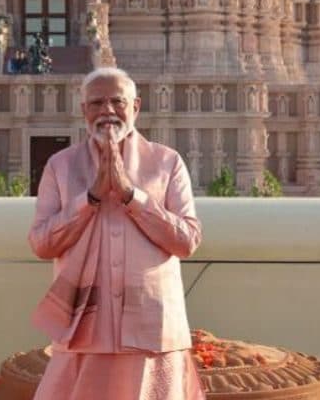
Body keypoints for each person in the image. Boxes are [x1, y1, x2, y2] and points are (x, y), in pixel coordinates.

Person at [28, 66, 204, 399]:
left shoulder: (167, 163)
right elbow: (41, 243)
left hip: (152, 330)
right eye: (96, 103)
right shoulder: (61, 166)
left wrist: (130, 195)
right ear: (83, 111)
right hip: (83, 331)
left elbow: (187, 240)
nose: (107, 111)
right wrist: (90, 198)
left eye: (117, 102)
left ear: (135, 107)